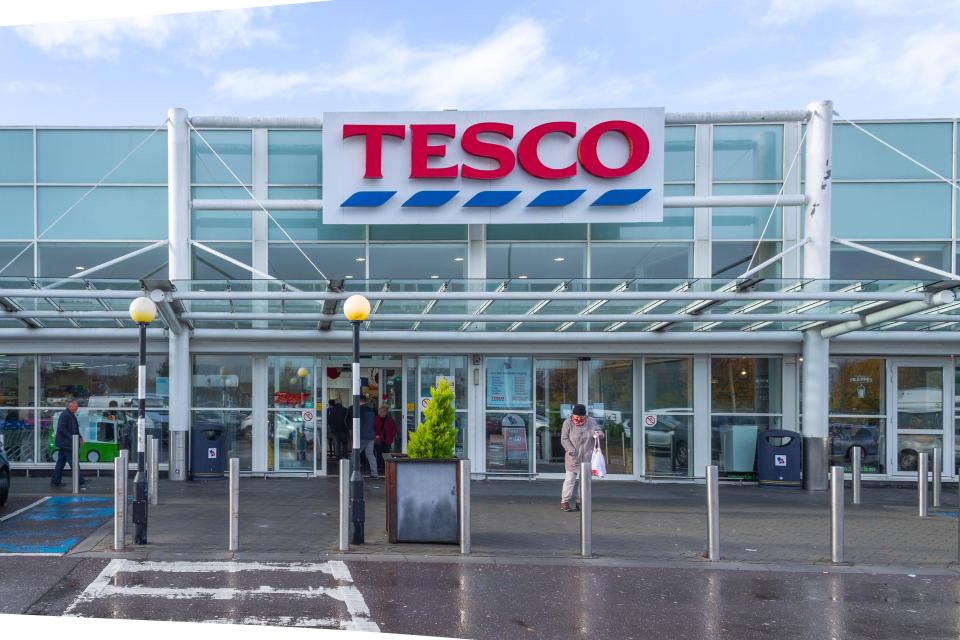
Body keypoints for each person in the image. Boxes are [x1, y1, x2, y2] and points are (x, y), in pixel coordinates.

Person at [559, 404, 601, 512]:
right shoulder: (567, 423)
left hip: (587, 456)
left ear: (585, 416)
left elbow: (599, 431)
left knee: (585, 481)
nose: (578, 419)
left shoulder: (591, 421)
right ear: (572, 415)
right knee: (570, 480)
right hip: (572, 457)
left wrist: (598, 434)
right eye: (576, 417)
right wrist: (571, 449)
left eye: (581, 418)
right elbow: (564, 438)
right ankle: (565, 502)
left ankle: (580, 503)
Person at [51, 400, 85, 488]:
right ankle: (80, 481)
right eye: (75, 406)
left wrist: (79, 437)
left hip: (66, 443)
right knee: (74, 462)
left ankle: (55, 481)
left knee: (61, 462)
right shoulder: (65, 415)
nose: (77, 408)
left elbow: (75, 429)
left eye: (77, 406)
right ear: (70, 407)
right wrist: (72, 438)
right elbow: (62, 429)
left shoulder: (70, 415)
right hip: (66, 444)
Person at [346, 396, 378, 478]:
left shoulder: (358, 410)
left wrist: (352, 431)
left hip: (361, 436)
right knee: (370, 454)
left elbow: (353, 423)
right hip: (370, 435)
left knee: (354, 454)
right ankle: (375, 473)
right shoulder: (372, 410)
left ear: (359, 401)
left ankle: (350, 473)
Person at [373, 404, 398, 475]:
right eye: (380, 411)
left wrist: (391, 436)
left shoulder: (390, 419)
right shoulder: (376, 419)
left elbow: (394, 429)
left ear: (386, 412)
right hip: (379, 440)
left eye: (382, 411)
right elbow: (374, 428)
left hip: (387, 440)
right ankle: (379, 467)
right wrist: (376, 436)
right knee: (379, 454)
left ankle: (386, 467)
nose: (380, 413)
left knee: (386, 454)